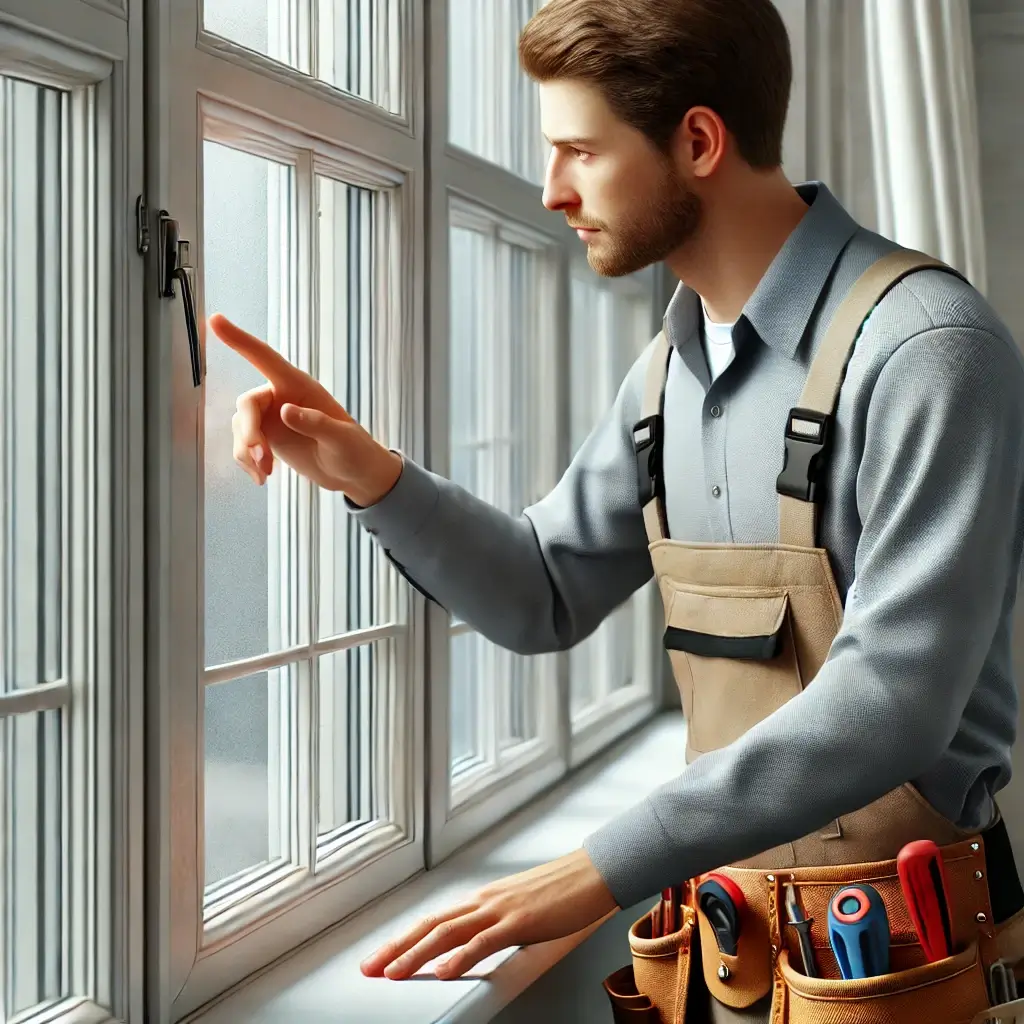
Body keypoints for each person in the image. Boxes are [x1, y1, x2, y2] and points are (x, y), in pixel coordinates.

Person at [211, 0, 1024, 1020]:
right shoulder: (665, 379)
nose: (552, 191)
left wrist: (589, 870)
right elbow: (541, 593)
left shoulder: (928, 351)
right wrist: (370, 473)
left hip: (907, 975)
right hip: (721, 968)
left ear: (695, 141)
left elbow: (890, 699)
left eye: (578, 152)